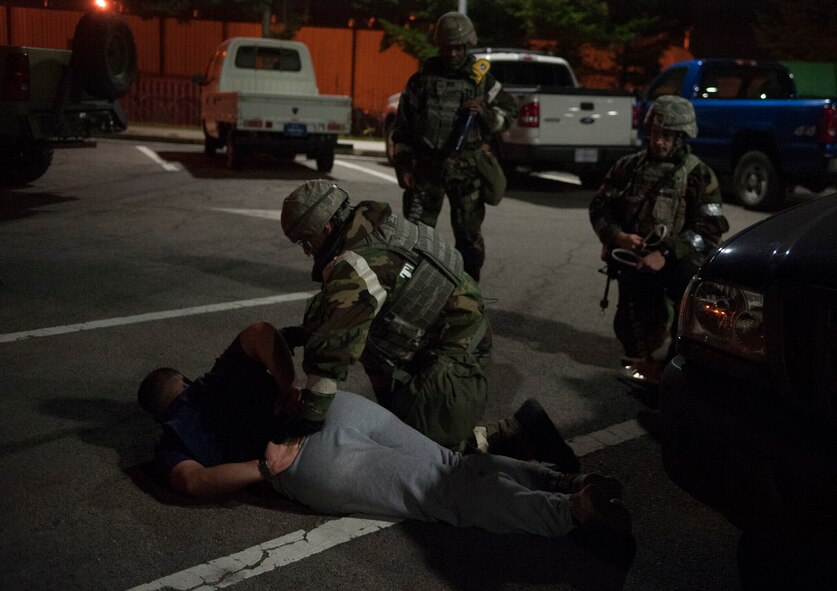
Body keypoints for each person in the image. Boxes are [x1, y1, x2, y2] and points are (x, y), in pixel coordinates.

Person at [137, 321, 631, 542]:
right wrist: (289, 387)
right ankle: (556, 483)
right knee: (450, 467)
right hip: (332, 411)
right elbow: (263, 332)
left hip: (307, 466)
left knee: (440, 495)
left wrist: (263, 467)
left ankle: (567, 512)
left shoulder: (172, 440)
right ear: (181, 379)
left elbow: (190, 483)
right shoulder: (217, 375)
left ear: (161, 413)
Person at [278, 179, 580, 473]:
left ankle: (521, 433)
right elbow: (347, 312)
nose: (307, 251)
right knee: (398, 417)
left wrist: (308, 420)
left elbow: (333, 352)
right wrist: (302, 334)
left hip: (455, 353)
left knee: (422, 450)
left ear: (327, 228)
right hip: (449, 334)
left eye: (307, 241)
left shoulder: (355, 265)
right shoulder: (379, 229)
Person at [589, 95, 730, 385]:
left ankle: (681, 363)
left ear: (681, 137)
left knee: (690, 303)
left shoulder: (699, 175)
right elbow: (600, 207)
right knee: (633, 321)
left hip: (677, 259)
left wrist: (667, 253)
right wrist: (618, 237)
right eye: (654, 134)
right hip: (635, 255)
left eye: (666, 136)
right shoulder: (629, 167)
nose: (659, 142)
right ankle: (642, 360)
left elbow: (709, 230)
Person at [391, 11, 517, 281]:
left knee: (469, 240)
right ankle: (408, 292)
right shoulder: (422, 80)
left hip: (467, 173)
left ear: (468, 45)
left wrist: (484, 114)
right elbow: (402, 128)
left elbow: (509, 114)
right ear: (440, 46)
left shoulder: (482, 80)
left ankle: (468, 294)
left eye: (459, 48)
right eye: (448, 47)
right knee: (415, 238)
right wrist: (403, 166)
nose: (453, 54)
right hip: (427, 172)